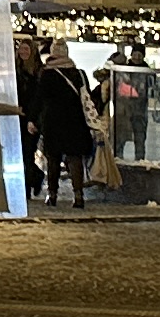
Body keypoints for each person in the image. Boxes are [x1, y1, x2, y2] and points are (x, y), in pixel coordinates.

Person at [29, 41, 101, 207]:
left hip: (53, 122)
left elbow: (39, 98)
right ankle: (78, 195)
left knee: (53, 158)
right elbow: (87, 97)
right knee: (75, 158)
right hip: (76, 122)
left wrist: (33, 119)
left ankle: (52, 194)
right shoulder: (79, 74)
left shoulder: (47, 74)